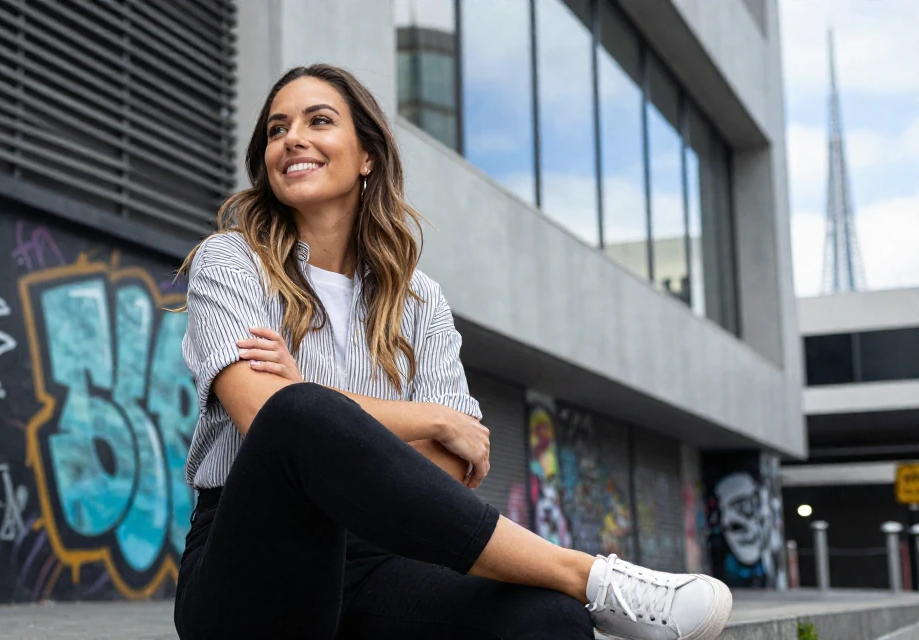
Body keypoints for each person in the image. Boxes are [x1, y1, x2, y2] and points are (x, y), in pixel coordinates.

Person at [173, 63, 732, 640]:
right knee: (297, 415)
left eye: (319, 120)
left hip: (378, 561)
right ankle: (588, 576)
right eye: (276, 129)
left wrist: (334, 418)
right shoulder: (230, 262)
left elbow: (452, 467)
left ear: (368, 154)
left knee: (549, 622)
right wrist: (431, 419)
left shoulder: (419, 299)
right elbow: (264, 414)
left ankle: (573, 595)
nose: (292, 138)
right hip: (252, 563)